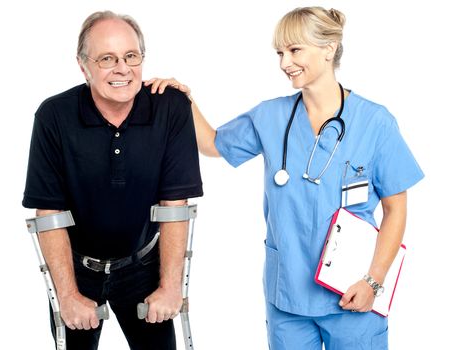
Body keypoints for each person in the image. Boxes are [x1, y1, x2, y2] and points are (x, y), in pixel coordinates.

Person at [147, 6, 423, 350]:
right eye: (280, 52)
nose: (284, 63)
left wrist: (374, 281)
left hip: (354, 293)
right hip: (288, 297)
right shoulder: (271, 116)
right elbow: (214, 144)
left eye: (294, 50)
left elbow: (396, 209)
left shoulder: (376, 123)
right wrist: (184, 99)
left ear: (329, 48)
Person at [22, 10, 203, 350]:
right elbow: (49, 212)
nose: (122, 68)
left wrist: (170, 286)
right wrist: (68, 294)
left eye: (131, 56)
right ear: (83, 65)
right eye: (107, 58)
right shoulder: (54, 116)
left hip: (145, 262)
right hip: (76, 266)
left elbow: (175, 205)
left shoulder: (171, 107)